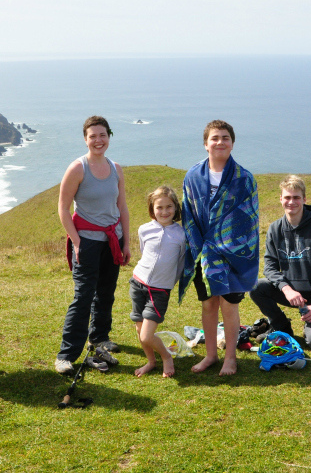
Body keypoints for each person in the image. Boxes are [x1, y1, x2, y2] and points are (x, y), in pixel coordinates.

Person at [180, 120, 259, 376]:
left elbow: (249, 219)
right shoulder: (192, 176)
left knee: (229, 306)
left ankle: (231, 358)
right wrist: (201, 247)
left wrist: (222, 244)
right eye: (214, 138)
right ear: (206, 144)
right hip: (203, 254)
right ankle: (211, 355)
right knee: (208, 305)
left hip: (233, 254)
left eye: (225, 138)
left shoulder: (244, 179)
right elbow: (188, 214)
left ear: (232, 143)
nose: (220, 142)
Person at [55, 116, 131, 375]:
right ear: (85, 139)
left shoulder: (116, 167)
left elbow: (121, 207)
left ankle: (99, 338)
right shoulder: (78, 168)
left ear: (109, 136)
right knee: (83, 297)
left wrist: (126, 241)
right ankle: (66, 355)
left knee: (106, 292)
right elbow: (63, 209)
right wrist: (76, 242)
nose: (98, 140)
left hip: (112, 239)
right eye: (93, 136)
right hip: (86, 240)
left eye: (103, 135)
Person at [249, 175, 311, 350]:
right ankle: (282, 326)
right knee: (256, 287)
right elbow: (270, 266)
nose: (292, 202)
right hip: (291, 293)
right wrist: (286, 289)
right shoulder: (275, 229)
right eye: (287, 197)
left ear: (304, 199)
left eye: (296, 197)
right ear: (280, 199)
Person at [130, 185, 187, 378]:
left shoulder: (181, 235)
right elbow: (143, 253)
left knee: (147, 335)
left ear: (176, 208)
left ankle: (166, 357)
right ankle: (150, 361)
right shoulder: (144, 229)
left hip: (160, 290)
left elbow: (180, 264)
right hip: (138, 283)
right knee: (140, 331)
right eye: (159, 207)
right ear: (152, 209)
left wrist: (170, 283)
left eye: (169, 206)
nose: (164, 211)